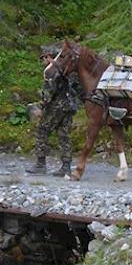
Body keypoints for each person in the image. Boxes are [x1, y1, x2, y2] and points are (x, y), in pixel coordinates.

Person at [26, 45, 82, 177]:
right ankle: (66, 167)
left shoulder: (51, 70)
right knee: (64, 135)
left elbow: (49, 93)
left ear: (49, 57)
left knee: (42, 130)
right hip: (69, 106)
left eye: (43, 58)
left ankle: (40, 164)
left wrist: (41, 106)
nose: (43, 61)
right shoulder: (66, 68)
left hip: (56, 106)